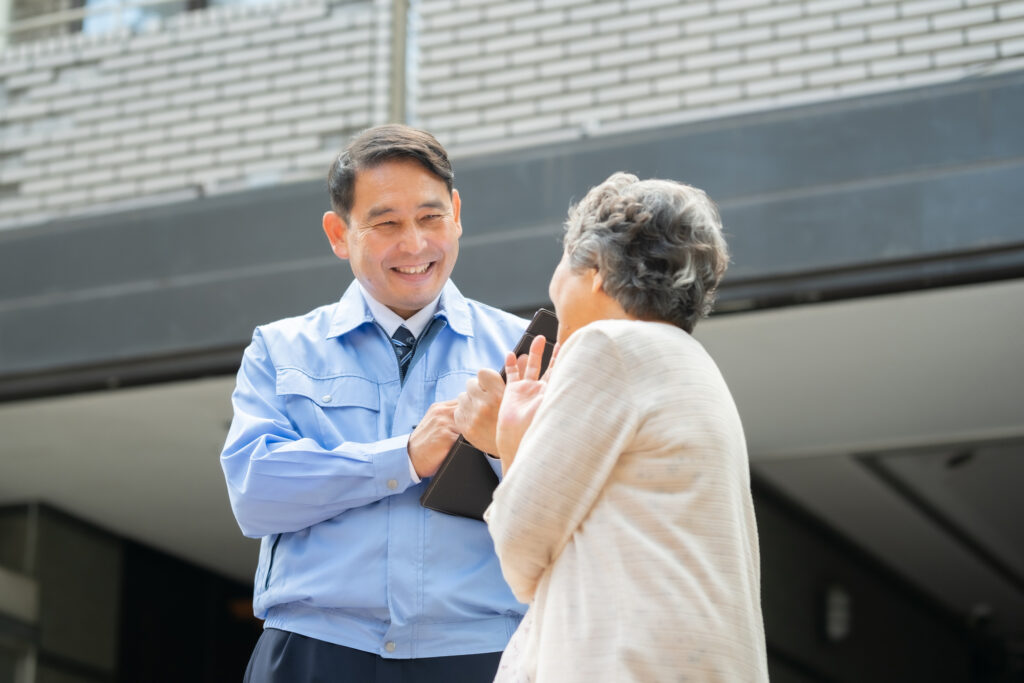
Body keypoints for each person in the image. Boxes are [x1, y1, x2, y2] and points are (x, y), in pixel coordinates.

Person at [220, 124, 528, 683]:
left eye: (431, 218)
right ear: (339, 234)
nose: (414, 245)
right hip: (315, 651)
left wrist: (502, 448)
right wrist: (403, 458)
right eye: (386, 223)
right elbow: (255, 493)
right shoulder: (280, 349)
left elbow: (567, 507)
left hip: (482, 656)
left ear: (456, 213)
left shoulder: (521, 354)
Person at [482, 172, 770, 681]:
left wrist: (512, 442)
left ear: (593, 268)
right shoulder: (695, 367)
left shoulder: (607, 347)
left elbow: (522, 550)